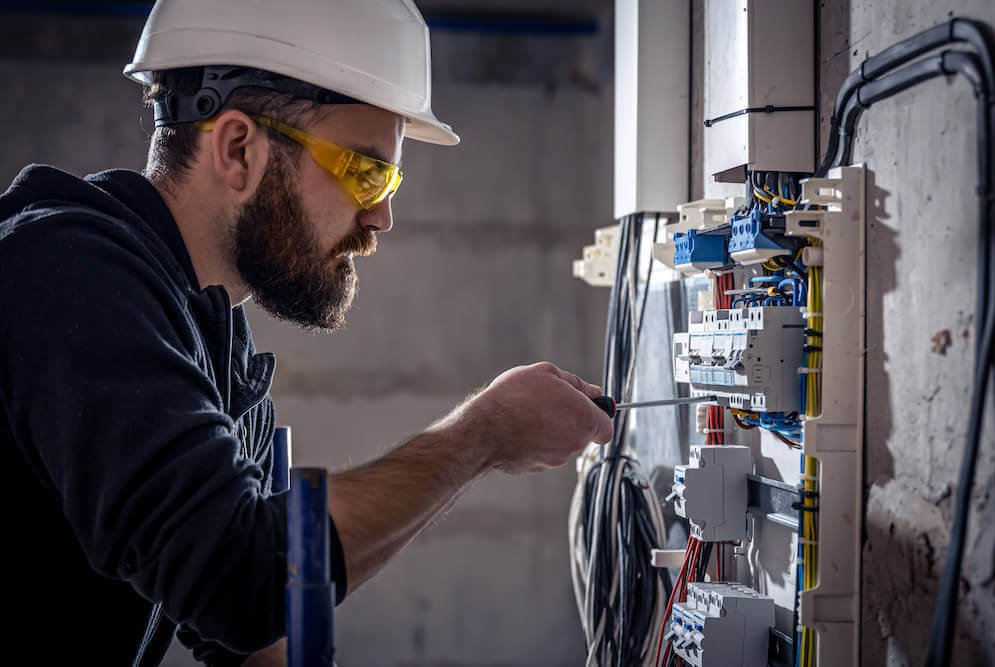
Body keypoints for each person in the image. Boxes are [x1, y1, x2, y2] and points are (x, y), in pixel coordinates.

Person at [0, 0, 613, 665]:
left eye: (389, 178)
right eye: (363, 172)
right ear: (237, 148)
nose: (380, 217)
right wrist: (480, 435)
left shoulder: (210, 339)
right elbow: (239, 574)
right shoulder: (63, 273)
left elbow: (253, 629)